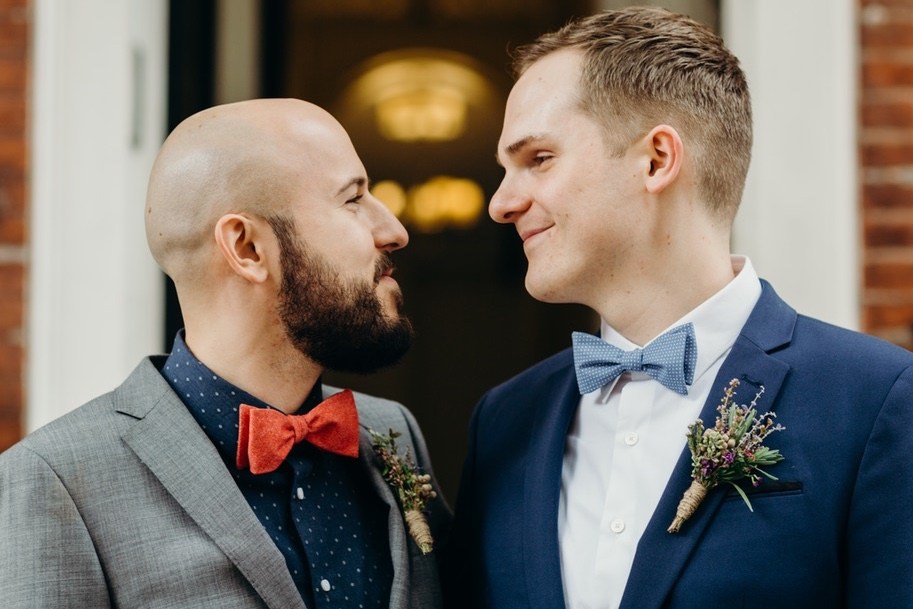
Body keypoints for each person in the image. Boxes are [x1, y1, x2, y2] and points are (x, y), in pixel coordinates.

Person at [444, 7, 913, 609]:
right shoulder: (505, 421)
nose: (501, 204)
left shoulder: (876, 402)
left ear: (657, 160)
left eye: (537, 159)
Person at [0, 98, 449, 609]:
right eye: (353, 199)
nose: (394, 230)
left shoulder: (393, 433)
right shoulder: (54, 480)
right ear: (247, 247)